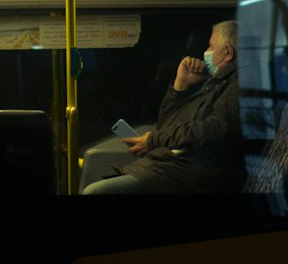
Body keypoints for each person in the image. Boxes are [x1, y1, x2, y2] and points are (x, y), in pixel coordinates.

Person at [82, 20, 244, 195]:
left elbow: (215, 128)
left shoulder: (241, 86)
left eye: (210, 47)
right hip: (172, 167)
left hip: (195, 173)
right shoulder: (212, 85)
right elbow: (166, 125)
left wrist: (153, 140)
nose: (205, 53)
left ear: (227, 52)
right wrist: (179, 86)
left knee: (95, 191)